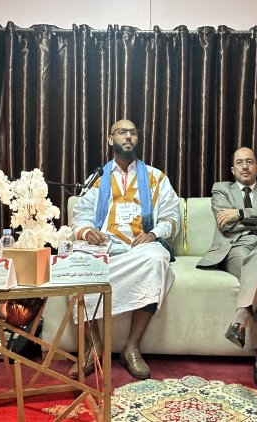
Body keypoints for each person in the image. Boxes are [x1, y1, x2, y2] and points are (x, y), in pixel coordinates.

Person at [70, 119, 180, 380]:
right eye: (122, 132)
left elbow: (172, 217)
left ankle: (131, 347)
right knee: (75, 263)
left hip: (138, 248)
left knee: (155, 260)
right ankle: (94, 345)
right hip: (104, 246)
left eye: (133, 132)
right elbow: (80, 216)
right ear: (111, 139)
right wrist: (87, 232)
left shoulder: (156, 177)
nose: (128, 136)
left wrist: (153, 234)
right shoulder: (97, 179)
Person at [196, 147, 257, 386]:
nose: (245, 166)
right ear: (232, 169)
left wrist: (239, 213)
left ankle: (240, 320)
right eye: (239, 162)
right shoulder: (221, 189)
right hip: (236, 247)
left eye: (249, 162)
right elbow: (226, 225)